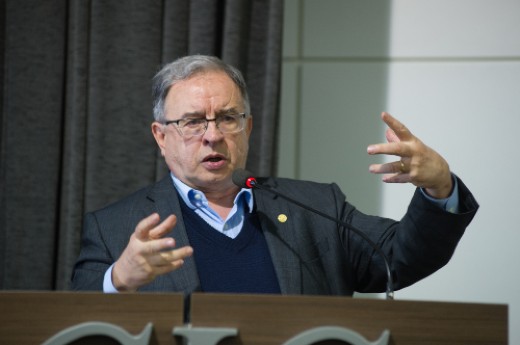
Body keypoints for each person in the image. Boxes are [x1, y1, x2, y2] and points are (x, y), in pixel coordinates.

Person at [71, 55, 478, 296]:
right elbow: (70, 321)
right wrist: (119, 280)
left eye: (228, 118)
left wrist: (439, 186)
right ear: (161, 136)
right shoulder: (114, 227)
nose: (213, 136)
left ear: (247, 128)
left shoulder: (316, 208)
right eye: (193, 122)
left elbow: (399, 259)